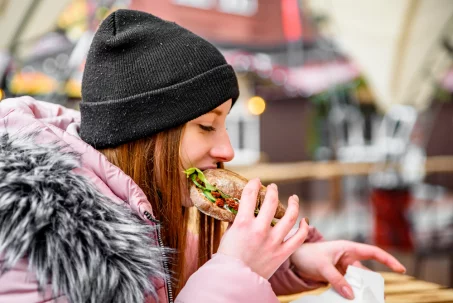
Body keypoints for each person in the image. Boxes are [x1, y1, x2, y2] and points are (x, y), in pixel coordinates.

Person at [0, 9, 406, 303]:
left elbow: (183, 275)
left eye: (226, 125)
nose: (227, 150)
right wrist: (237, 271)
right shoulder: (36, 243)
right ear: (146, 135)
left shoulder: (141, 212)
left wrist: (293, 259)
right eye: (207, 127)